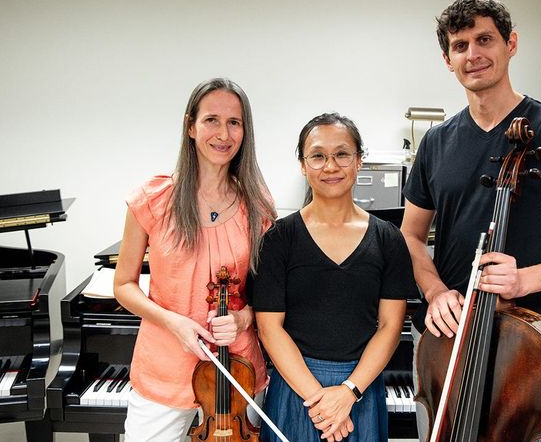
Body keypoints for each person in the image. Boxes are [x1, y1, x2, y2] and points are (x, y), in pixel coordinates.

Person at [400, 0, 541, 439]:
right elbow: (412, 237)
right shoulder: (436, 142)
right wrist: (435, 290)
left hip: (523, 342)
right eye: (460, 46)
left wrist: (524, 281)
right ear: (447, 59)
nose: (473, 55)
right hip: (444, 336)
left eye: (484, 40)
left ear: (510, 44)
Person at [114, 77, 276, 441]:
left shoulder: (258, 204)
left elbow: (269, 291)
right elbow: (123, 285)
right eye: (211, 120)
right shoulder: (154, 198)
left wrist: (243, 317)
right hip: (164, 366)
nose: (224, 133)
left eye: (234, 122)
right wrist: (173, 322)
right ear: (190, 126)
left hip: (238, 371)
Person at [251, 113, 416, 442]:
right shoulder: (278, 238)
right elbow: (269, 328)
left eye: (342, 154)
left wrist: (347, 393)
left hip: (360, 389)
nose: (330, 166)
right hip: (296, 389)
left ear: (359, 161)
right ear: (302, 164)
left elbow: (390, 327)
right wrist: (322, 402)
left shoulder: (388, 240)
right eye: (317, 156)